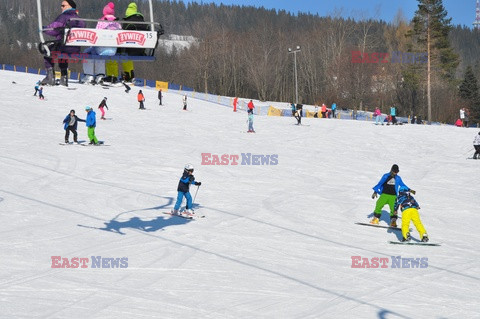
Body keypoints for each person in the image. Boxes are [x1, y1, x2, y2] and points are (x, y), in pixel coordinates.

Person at [40, 0, 86, 86]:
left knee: (48, 50)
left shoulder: (63, 17)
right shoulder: (80, 20)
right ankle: (64, 77)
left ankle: (50, 77)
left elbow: (54, 30)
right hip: (76, 49)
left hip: (63, 47)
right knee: (63, 54)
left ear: (70, 6)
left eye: (63, 5)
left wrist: (44, 29)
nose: (61, 7)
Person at [82, 2, 122, 85]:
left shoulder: (101, 21)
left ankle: (89, 75)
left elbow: (96, 36)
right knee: (100, 55)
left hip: (101, 49)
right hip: (113, 51)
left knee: (89, 52)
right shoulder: (117, 23)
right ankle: (100, 75)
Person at [120, 2, 149, 82]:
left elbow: (122, 34)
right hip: (140, 50)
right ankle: (131, 74)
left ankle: (127, 74)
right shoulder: (144, 23)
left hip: (129, 49)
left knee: (123, 53)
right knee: (127, 55)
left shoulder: (128, 23)